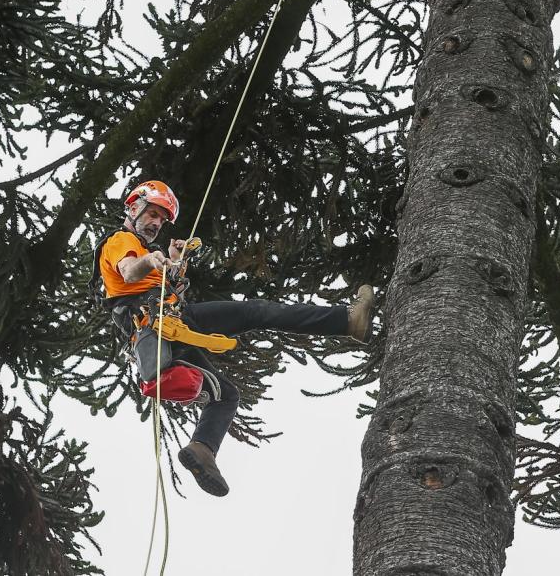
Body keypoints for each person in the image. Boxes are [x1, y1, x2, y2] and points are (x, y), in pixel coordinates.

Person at [91, 180, 375, 497]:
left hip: (168, 332)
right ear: (133, 208)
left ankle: (202, 450)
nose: (157, 222)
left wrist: (172, 264)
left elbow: (157, 286)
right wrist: (149, 260)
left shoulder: (148, 252)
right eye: (152, 213)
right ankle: (348, 320)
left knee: (226, 396)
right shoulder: (121, 240)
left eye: (162, 218)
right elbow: (129, 272)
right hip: (163, 325)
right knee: (256, 312)